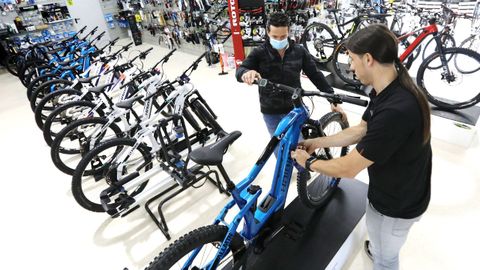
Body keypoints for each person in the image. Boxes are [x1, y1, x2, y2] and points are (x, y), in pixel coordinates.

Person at [290, 24, 432, 270]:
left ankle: (382, 254)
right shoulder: (389, 87)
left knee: (386, 259)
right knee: (379, 239)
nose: (350, 67)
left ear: (368, 59)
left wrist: (309, 162)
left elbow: (348, 168)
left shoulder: (397, 109)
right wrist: (317, 142)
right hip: (393, 187)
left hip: (397, 204)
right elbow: (361, 129)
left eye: (352, 60)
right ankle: (379, 247)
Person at [235, 12, 342, 155]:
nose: (279, 40)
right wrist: (246, 73)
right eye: (275, 37)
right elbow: (240, 70)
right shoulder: (259, 52)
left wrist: (332, 97)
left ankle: (304, 170)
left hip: (295, 107)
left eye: (283, 36)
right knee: (279, 151)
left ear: (289, 32)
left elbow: (315, 75)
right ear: (267, 32)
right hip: (270, 110)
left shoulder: (299, 51)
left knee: (299, 149)